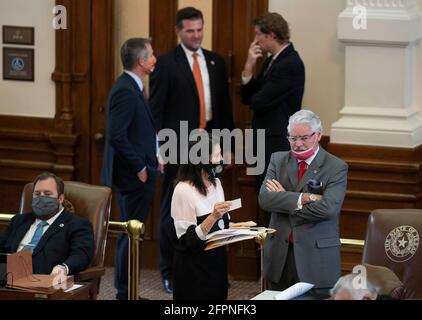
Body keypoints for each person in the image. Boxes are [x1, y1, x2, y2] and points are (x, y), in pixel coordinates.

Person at [149, 6, 234, 294]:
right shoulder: (165, 64)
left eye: (200, 30)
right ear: (178, 31)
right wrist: (160, 149)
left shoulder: (215, 62)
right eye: (190, 31)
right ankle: (171, 270)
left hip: (211, 144)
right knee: (174, 210)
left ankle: (211, 269)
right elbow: (156, 112)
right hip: (177, 145)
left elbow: (224, 109)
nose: (196, 35)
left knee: (211, 206)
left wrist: (228, 145)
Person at [258, 110, 348, 294]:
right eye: (292, 138)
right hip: (280, 257)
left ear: (319, 134)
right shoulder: (278, 159)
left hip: (316, 257)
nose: (297, 144)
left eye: (304, 138)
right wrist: (304, 198)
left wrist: (283, 199)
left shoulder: (336, 167)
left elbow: (328, 208)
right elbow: (265, 199)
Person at [101, 38, 162, 300]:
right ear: (140, 61)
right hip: (132, 176)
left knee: (133, 233)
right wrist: (140, 167)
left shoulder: (133, 86)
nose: (155, 59)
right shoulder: (125, 90)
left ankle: (129, 292)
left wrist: (156, 155)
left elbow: (140, 130)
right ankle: (125, 294)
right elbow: (117, 136)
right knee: (130, 233)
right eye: (151, 55)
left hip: (143, 170)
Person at [241, 13, 305, 226]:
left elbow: (258, 101)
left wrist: (254, 95)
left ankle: (274, 255)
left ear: (271, 35)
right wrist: (249, 65)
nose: (256, 40)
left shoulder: (289, 64)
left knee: (274, 202)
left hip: (275, 144)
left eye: (258, 35)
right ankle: (268, 254)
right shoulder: (272, 61)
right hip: (264, 142)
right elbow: (247, 97)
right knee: (266, 200)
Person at [171, 135, 232, 300]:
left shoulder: (216, 184)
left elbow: (223, 224)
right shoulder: (183, 190)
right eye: (217, 155)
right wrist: (212, 217)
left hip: (217, 264)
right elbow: (186, 242)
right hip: (194, 270)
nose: (221, 159)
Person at [0, 172, 94, 276]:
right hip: (7, 277)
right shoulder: (18, 221)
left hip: (43, 281)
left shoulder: (77, 225)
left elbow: (81, 255)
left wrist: (63, 268)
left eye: (47, 194)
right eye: (37, 194)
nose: (41, 198)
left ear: (60, 199)